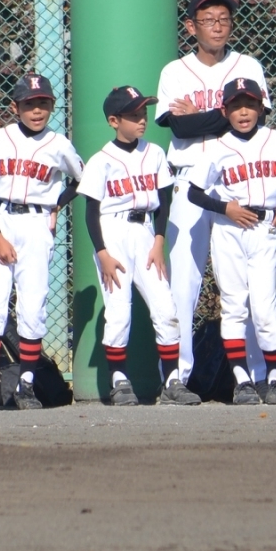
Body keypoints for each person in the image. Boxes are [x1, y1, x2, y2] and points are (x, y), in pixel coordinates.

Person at [156, 0, 272, 383]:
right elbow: (180, 127)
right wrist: (224, 116)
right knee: (183, 286)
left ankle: (258, 375)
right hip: (189, 180)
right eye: (208, 19)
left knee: (250, 288)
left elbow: (252, 121)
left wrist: (202, 116)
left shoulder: (248, 65)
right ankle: (177, 378)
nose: (218, 25)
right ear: (191, 27)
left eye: (224, 18)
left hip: (239, 184)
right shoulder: (174, 71)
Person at [183, 79, 276, 405]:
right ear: (224, 110)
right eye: (236, 106)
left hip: (265, 227)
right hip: (229, 228)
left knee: (265, 307)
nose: (243, 112)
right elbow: (194, 191)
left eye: (249, 105)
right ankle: (242, 380)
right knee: (234, 306)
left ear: (260, 107)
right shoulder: (217, 147)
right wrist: (225, 208)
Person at [0, 74, 83, 412]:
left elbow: (81, 178)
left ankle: (27, 386)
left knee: (32, 307)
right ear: (14, 107)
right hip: (1, 220)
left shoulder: (58, 143)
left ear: (51, 106)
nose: (37, 110)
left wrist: (57, 205)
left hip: (36, 223)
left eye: (43, 103)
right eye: (30, 104)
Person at [77, 85, 187, 406]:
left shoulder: (154, 152)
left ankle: (172, 381)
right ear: (114, 120)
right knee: (119, 311)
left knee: (166, 308)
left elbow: (164, 202)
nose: (142, 119)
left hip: (146, 233)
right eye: (134, 114)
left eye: (143, 112)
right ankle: (119, 380)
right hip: (112, 234)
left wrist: (159, 241)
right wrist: (102, 254)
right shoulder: (101, 160)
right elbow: (91, 213)